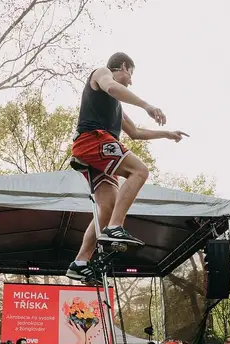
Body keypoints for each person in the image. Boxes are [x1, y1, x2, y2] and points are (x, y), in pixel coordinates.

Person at [65, 52, 187, 282]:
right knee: (139, 171)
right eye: (130, 75)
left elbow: (136, 133)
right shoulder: (102, 73)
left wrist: (167, 134)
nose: (130, 81)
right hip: (93, 140)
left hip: (96, 155)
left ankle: (80, 262)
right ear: (123, 67)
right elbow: (111, 87)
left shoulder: (116, 106)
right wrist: (146, 105)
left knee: (108, 206)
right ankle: (115, 227)